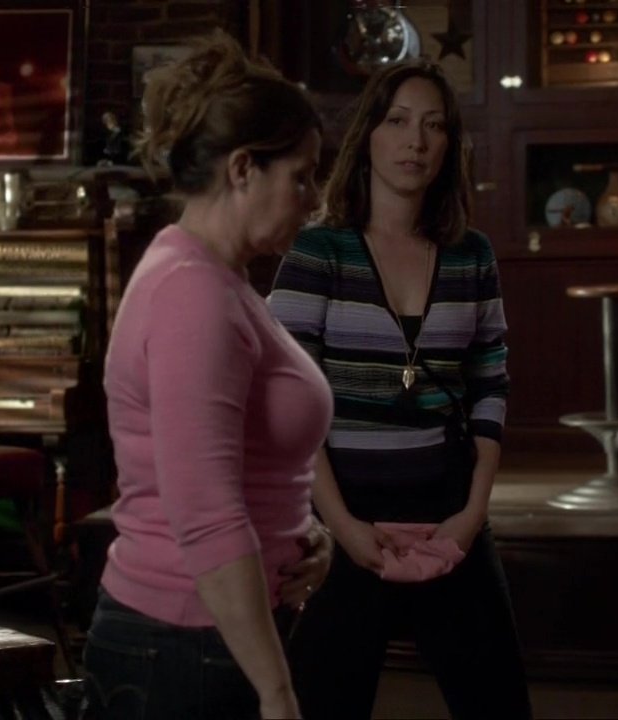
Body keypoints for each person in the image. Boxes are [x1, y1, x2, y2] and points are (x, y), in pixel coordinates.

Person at [267, 58, 533, 719]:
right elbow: (287, 403)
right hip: (342, 513)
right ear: (368, 136)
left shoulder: (471, 254)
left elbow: (490, 384)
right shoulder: (319, 251)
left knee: (498, 705)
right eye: (398, 121)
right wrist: (341, 526)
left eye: (434, 126)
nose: (416, 141)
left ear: (449, 146)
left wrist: (472, 514)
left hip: (449, 508)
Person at [84, 30, 332, 720]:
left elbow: (249, 468)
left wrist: (306, 537)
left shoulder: (218, 280)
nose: (313, 200)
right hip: (183, 643)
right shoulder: (191, 293)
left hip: (213, 635)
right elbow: (205, 512)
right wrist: (277, 692)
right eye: (302, 176)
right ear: (244, 168)